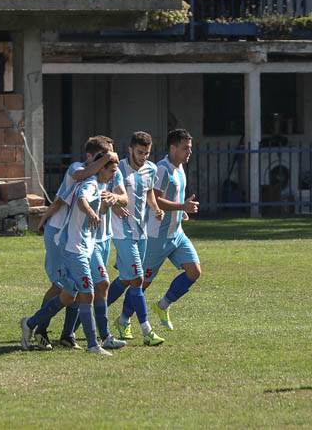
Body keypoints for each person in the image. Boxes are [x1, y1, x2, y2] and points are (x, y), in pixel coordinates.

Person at [20, 157, 120, 356]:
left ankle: (30, 323)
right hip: (74, 249)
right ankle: (93, 345)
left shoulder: (100, 185)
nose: (115, 174)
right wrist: (92, 212)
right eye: (112, 170)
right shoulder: (90, 184)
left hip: (83, 247)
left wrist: (108, 205)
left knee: (68, 295)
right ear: (101, 168)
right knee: (88, 292)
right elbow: (82, 201)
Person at [105, 131, 170, 346]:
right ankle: (147, 331)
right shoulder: (118, 169)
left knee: (126, 279)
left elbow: (149, 193)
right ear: (130, 149)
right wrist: (114, 205)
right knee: (138, 279)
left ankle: (97, 312)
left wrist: (156, 208)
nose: (143, 157)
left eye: (147, 153)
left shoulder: (151, 169)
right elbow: (106, 192)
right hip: (122, 232)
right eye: (140, 152)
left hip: (142, 232)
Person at [144, 129, 202, 331]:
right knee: (140, 283)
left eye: (190, 148)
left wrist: (181, 212)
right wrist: (181, 207)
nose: (189, 152)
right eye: (186, 148)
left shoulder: (179, 169)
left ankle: (163, 305)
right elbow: (156, 200)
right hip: (157, 235)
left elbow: (173, 199)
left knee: (194, 271)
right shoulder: (162, 169)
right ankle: (124, 319)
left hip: (176, 233)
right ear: (173, 148)